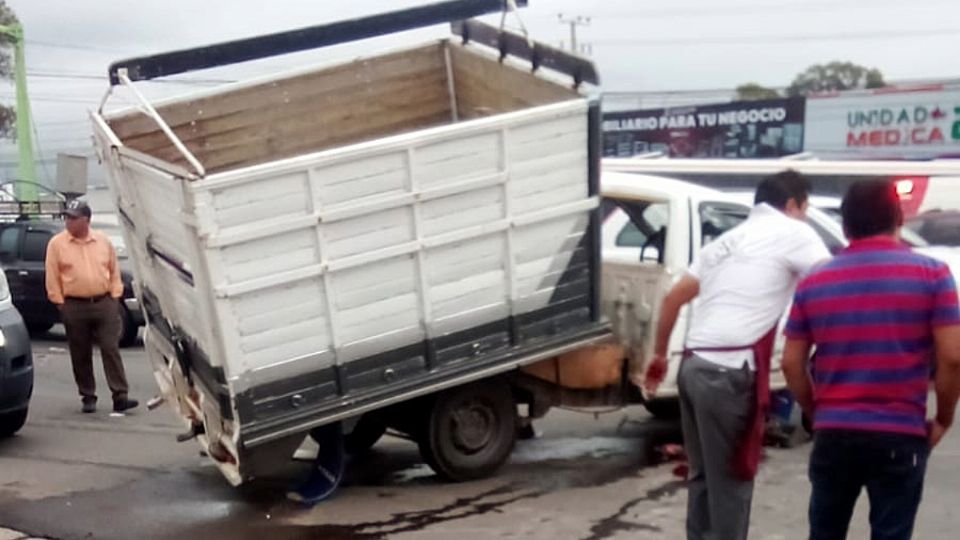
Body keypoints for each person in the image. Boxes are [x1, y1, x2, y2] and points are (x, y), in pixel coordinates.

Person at [645, 170, 830, 540]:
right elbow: (832, 279)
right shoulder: (794, 232)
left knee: (702, 476)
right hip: (727, 372)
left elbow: (673, 299)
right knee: (732, 479)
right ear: (792, 204)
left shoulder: (724, 244)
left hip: (693, 367)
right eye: (805, 209)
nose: (805, 217)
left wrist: (661, 355)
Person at [782, 180, 960, 540]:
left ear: (846, 227)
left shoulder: (815, 281)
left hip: (834, 432)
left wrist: (817, 412)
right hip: (900, 432)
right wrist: (943, 418)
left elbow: (791, 363)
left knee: (825, 532)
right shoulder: (933, 275)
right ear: (899, 219)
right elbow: (953, 358)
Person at [45, 199, 139, 414]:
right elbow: (52, 275)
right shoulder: (57, 244)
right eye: (67, 217)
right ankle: (88, 395)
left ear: (86, 220)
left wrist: (115, 295)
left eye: (73, 218)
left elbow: (114, 269)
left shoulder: (102, 241)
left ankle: (120, 395)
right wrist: (59, 303)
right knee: (80, 351)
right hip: (74, 305)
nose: (68, 221)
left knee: (110, 347)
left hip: (104, 302)